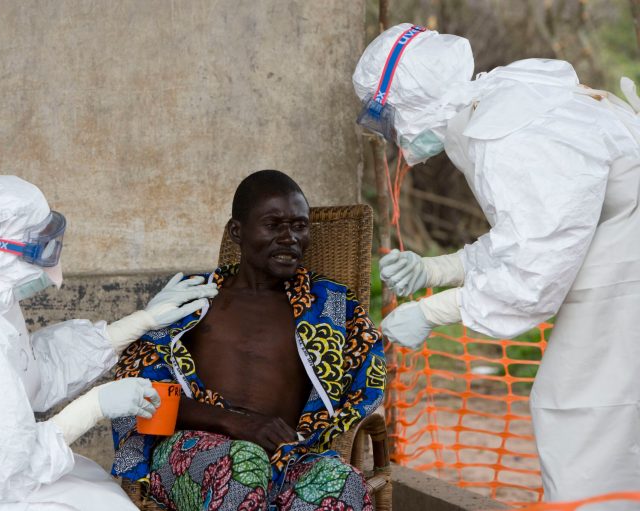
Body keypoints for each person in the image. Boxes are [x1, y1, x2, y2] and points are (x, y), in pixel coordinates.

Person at [354, 23, 640, 506]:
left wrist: (433, 312)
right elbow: (528, 233)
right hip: (619, 258)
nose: (395, 133)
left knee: (578, 412)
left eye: (388, 117)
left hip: (622, 274)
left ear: (410, 100)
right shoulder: (503, 102)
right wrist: (436, 270)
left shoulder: (505, 131)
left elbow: (535, 268)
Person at [0, 174, 218, 511]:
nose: (53, 258)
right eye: (41, 244)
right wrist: (93, 407)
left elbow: (25, 370)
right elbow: (7, 466)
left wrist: (131, 326)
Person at [110, 170, 386, 511]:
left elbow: (366, 384)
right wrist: (237, 423)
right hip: (192, 449)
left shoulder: (331, 308)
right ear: (237, 231)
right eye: (273, 225)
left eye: (299, 225)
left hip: (288, 457)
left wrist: (311, 437)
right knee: (243, 466)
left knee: (343, 485)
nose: (289, 238)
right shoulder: (193, 300)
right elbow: (139, 395)